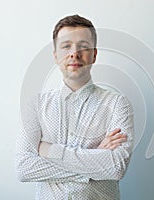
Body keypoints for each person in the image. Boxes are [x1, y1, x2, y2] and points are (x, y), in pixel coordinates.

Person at [16, 14, 134, 200]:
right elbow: (24, 168)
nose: (74, 53)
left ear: (94, 55)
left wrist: (49, 151)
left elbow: (116, 167)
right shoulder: (36, 105)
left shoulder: (117, 104)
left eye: (83, 47)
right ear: (56, 56)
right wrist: (96, 159)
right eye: (66, 46)